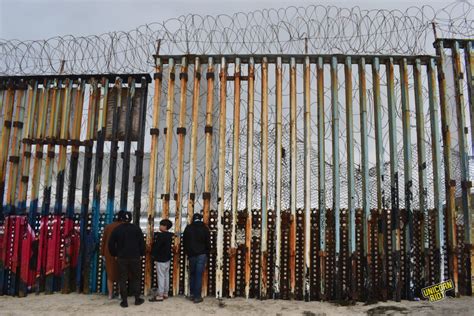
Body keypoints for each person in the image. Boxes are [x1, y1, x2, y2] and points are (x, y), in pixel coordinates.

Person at [108, 211, 145, 308]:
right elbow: (142, 243)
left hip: (122, 257)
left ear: (121, 219)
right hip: (135, 257)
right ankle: (137, 299)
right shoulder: (136, 229)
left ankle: (124, 301)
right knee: (136, 278)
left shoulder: (117, 229)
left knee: (122, 279)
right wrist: (141, 254)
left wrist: (114, 254)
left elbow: (111, 244)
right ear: (131, 218)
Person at [183, 213, 210, 304]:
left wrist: (187, 252)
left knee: (193, 274)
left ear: (193, 219)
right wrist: (207, 252)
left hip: (191, 255)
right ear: (201, 219)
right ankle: (197, 297)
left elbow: (185, 242)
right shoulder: (205, 229)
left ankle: (192, 294)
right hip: (202, 254)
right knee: (199, 275)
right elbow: (208, 243)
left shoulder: (188, 228)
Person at [100, 210, 126, 299]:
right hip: (121, 252)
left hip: (109, 253)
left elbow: (103, 241)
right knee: (121, 274)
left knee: (110, 275)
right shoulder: (124, 227)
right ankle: (120, 294)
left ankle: (110, 295)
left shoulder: (108, 226)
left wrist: (102, 253)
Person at [149, 219, 174, 302]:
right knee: (166, 276)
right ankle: (166, 293)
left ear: (165, 226)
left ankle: (160, 295)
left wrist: (153, 254)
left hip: (160, 259)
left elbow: (157, 247)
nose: (159, 227)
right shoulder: (170, 235)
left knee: (160, 276)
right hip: (167, 258)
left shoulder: (161, 236)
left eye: (161, 225)